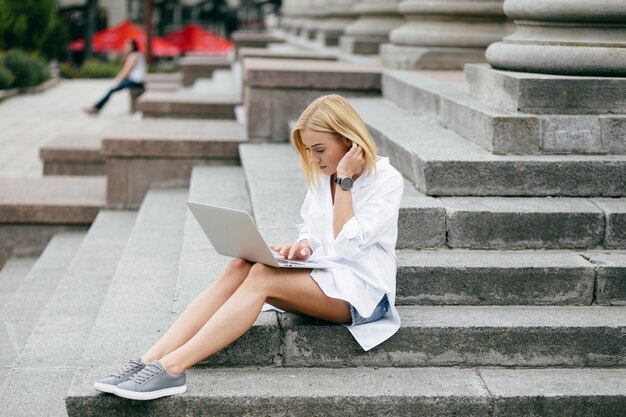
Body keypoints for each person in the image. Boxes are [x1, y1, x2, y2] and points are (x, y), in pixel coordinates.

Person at [94, 94, 404, 401]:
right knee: (240, 265)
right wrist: (303, 246)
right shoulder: (324, 176)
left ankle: (172, 369)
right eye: (309, 150)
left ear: (349, 142)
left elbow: (348, 246)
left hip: (364, 295)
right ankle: (148, 360)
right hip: (327, 277)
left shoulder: (385, 180)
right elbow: (312, 228)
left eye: (320, 149)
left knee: (261, 278)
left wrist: (346, 181)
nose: (313, 159)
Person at [83, 38, 146, 114]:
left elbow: (126, 70)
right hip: (137, 81)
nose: (125, 47)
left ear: (132, 46)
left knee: (111, 90)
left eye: (127, 45)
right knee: (111, 91)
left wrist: (117, 80)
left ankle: (96, 108)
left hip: (135, 81)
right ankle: (96, 107)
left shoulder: (133, 56)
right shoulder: (138, 54)